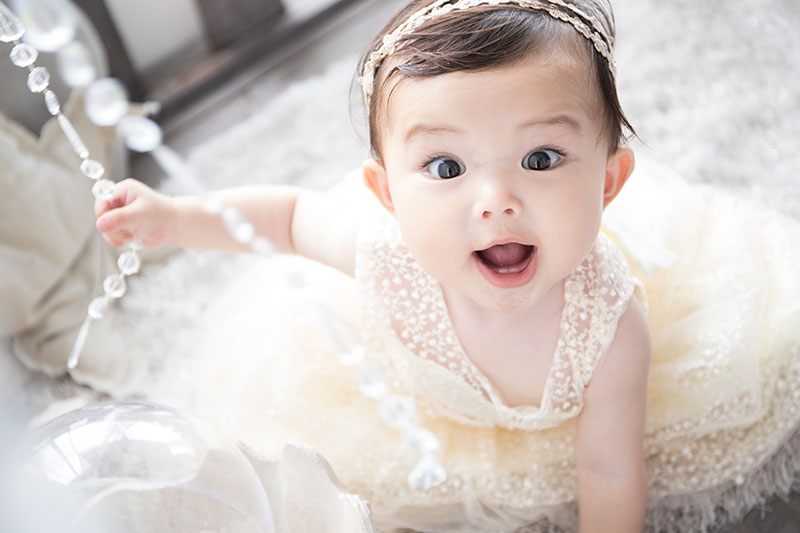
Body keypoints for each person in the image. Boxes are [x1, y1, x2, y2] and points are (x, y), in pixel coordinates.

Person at [94, 1, 800, 531]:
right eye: (446, 167)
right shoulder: (386, 254)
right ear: (387, 195)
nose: (496, 201)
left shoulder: (611, 327)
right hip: (410, 407)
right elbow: (285, 217)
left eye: (541, 158)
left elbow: (609, 467)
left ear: (609, 182)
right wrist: (174, 218)